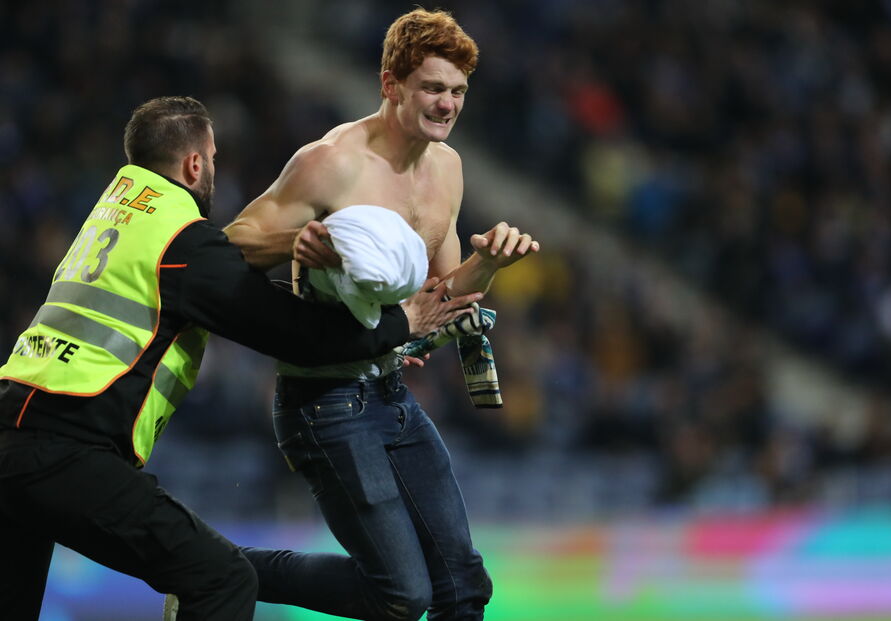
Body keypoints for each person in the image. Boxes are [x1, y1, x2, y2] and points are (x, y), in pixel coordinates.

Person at [0, 95, 482, 621]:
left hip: (16, 430)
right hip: (66, 450)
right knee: (222, 580)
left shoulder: (115, 214)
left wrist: (301, 241)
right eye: (213, 158)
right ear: (195, 164)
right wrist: (401, 324)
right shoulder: (179, 241)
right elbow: (296, 334)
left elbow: (216, 266)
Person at [224, 8, 540, 621]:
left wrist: (489, 264)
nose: (446, 105)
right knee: (401, 597)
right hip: (325, 402)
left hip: (391, 394)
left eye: (457, 92)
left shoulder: (447, 167)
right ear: (391, 84)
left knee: (463, 587)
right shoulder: (333, 161)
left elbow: (439, 302)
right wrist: (295, 242)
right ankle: (211, 571)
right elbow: (234, 241)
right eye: (432, 88)